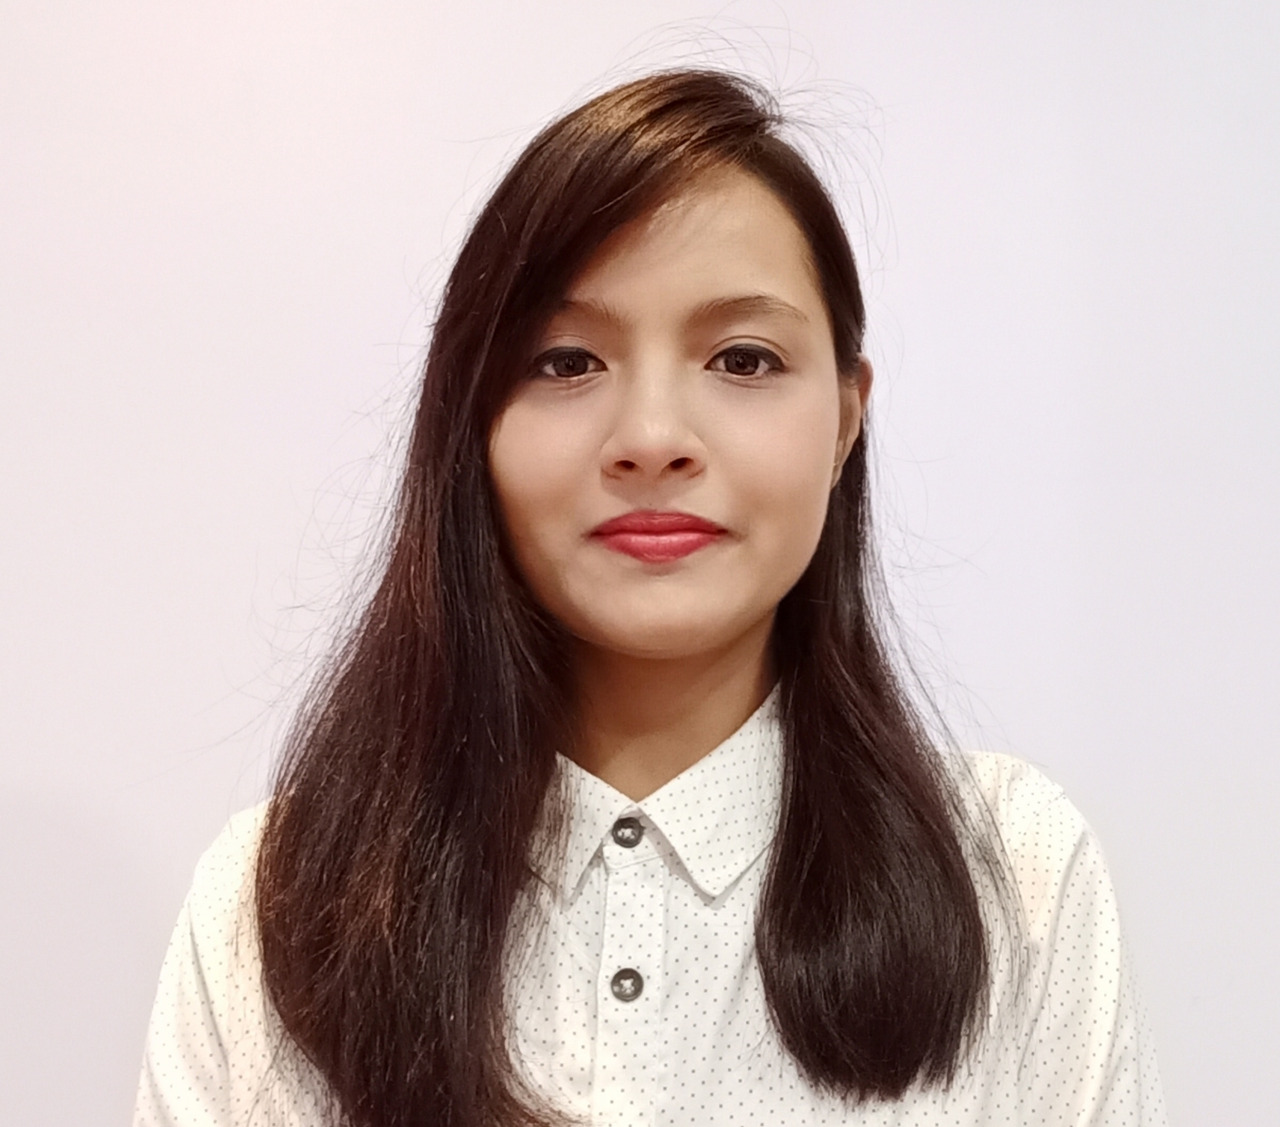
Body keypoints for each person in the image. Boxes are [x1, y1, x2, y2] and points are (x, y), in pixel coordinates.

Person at [133, 69, 1167, 1126]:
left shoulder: (1009, 871)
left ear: (845, 419)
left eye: (743, 358)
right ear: (473, 421)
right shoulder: (279, 899)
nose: (652, 438)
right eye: (566, 361)